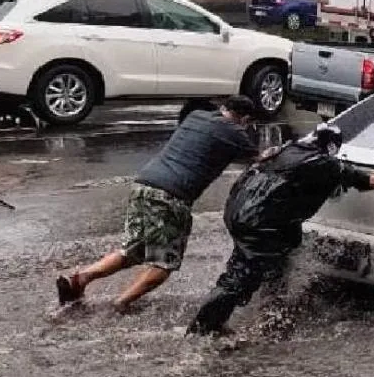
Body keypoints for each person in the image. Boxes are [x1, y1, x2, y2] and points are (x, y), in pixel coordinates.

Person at [186, 124, 374, 336]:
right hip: (260, 225)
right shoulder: (323, 163)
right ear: (332, 147)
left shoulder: (285, 150)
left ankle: (270, 313)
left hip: (240, 213)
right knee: (240, 279)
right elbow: (369, 181)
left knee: (275, 263)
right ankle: (203, 329)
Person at [56, 96, 260, 312]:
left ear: (223, 107)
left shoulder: (196, 116)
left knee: (134, 249)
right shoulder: (235, 132)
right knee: (164, 263)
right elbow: (259, 158)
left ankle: (79, 280)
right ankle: (122, 303)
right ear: (245, 119)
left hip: (143, 186)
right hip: (170, 196)